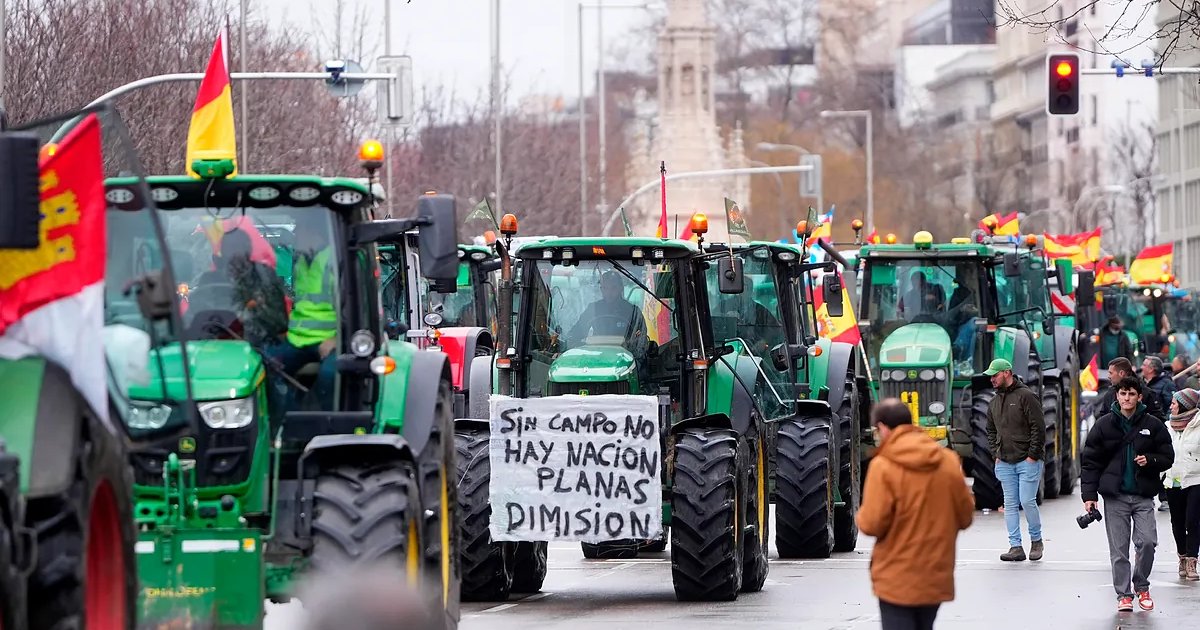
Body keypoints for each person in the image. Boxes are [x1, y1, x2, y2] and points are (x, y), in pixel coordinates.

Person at [855, 398, 974, 630]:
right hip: (935, 575)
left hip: (896, 576)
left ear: (883, 428)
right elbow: (965, 516)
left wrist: (860, 516)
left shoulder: (884, 466)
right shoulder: (948, 461)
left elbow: (872, 524)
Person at [1081, 376, 1175, 612]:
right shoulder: (1103, 425)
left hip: (1143, 495)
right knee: (1119, 550)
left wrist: (1150, 460)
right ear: (1117, 396)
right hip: (1115, 497)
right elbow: (1090, 461)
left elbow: (1168, 456)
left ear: (1139, 397)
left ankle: (1141, 585)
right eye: (1122, 394)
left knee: (1148, 543)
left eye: (1131, 394)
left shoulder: (1153, 424)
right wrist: (1089, 496)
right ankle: (1124, 595)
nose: (1126, 398)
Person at [262, 214, 338, 411]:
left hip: (331, 340)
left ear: (314, 232)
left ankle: (329, 427)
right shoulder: (300, 261)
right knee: (262, 365)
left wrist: (336, 339)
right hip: (297, 340)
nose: (295, 233)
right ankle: (285, 422)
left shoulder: (335, 261)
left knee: (331, 375)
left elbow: (352, 305)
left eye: (300, 228)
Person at [983, 358, 1045, 561]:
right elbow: (990, 430)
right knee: (1010, 504)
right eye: (991, 376)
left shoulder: (1026, 396)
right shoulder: (993, 402)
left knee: (1027, 500)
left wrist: (1032, 456)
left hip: (1027, 461)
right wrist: (996, 454)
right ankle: (1015, 546)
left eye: (995, 375)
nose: (992, 379)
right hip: (1005, 461)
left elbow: (1038, 427)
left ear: (1007, 373)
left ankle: (1036, 541)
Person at [1163, 388, 1200, 581]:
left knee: (1192, 521)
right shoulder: (1168, 425)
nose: (1171, 406)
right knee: (1177, 523)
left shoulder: (1198, 424)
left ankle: (1193, 561)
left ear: (1184, 405)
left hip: (1195, 479)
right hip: (1173, 480)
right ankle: (1182, 557)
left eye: (1174, 403)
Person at [567, 271, 647, 349]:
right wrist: (568, 342)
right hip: (597, 356)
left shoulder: (633, 312)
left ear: (621, 288)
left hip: (627, 356)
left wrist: (633, 343)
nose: (609, 292)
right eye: (605, 288)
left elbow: (641, 339)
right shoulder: (593, 309)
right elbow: (576, 332)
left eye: (613, 288)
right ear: (601, 289)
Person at [1142, 355, 1175, 420]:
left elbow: (1171, 405)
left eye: (1144, 365)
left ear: (1151, 369)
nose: (1141, 367)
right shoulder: (1141, 383)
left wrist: (1165, 421)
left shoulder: (1167, 384)